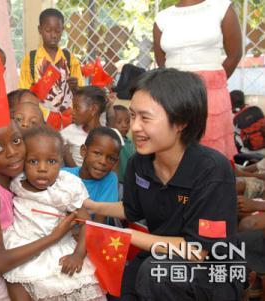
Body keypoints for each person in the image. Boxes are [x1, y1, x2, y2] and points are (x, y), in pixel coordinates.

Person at [84, 69, 242, 300]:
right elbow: (131, 208)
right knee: (115, 287)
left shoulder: (212, 170)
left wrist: (120, 234)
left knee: (155, 275)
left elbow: (197, 251)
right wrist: (90, 205)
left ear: (180, 122)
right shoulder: (140, 163)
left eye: (145, 118)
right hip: (157, 258)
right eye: (132, 116)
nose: (135, 127)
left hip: (210, 270)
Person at [0, 121, 77, 301]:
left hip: (15, 259)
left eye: (16, 141)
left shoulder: (15, 173)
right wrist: (54, 237)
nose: (12, 152)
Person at [3, 125, 106, 301]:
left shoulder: (64, 188)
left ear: (61, 161)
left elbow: (88, 224)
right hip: (25, 249)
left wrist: (78, 255)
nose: (42, 168)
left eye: (51, 161)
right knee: (15, 280)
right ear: (22, 161)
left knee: (74, 287)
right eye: (33, 161)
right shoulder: (15, 180)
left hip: (60, 252)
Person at [153, 0, 242, 160]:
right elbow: (162, 64)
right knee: (176, 151)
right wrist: (179, 88)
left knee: (212, 156)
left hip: (211, 95)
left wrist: (210, 84)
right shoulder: (162, 17)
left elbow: (234, 55)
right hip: (174, 94)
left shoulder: (221, 7)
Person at [19, 8, 84, 130]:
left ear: (63, 30)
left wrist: (76, 88)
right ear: (40, 30)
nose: (53, 35)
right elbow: (24, 95)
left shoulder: (69, 58)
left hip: (69, 123)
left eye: (58, 31)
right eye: (48, 30)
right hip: (41, 122)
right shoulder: (31, 59)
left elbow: (82, 94)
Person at [63, 127, 120, 224]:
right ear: (84, 151)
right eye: (97, 153)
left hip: (89, 234)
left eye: (111, 158)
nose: (103, 162)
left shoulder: (110, 179)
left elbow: (99, 223)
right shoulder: (63, 175)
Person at [61, 86, 106, 167]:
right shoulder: (67, 132)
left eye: (77, 108)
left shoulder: (110, 136)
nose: (72, 112)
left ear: (94, 109)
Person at [106, 105, 136, 191]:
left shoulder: (130, 141)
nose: (124, 125)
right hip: (117, 182)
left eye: (127, 122)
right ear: (110, 124)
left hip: (129, 182)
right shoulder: (114, 140)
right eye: (119, 122)